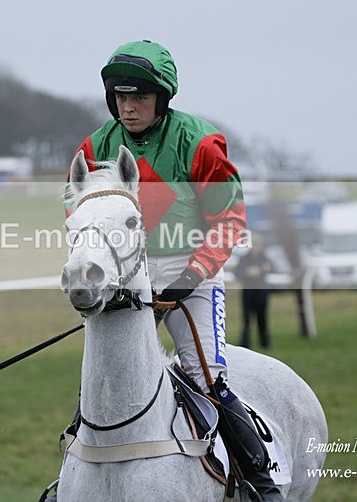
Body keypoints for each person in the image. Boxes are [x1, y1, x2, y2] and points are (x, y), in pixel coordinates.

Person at [60, 40, 282, 501]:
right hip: (126, 277)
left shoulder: (200, 142)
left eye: (139, 97)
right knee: (102, 383)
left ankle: (261, 486)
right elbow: (79, 213)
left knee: (207, 381)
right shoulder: (95, 146)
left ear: (162, 98)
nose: (129, 107)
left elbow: (228, 221)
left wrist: (189, 277)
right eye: (121, 98)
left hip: (190, 274)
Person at [235, 237, 274, 349]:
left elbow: (273, 268)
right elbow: (237, 272)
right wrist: (248, 273)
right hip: (248, 293)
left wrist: (266, 269)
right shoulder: (244, 259)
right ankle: (245, 343)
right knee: (246, 319)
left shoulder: (264, 258)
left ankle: (264, 343)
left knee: (262, 318)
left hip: (261, 292)